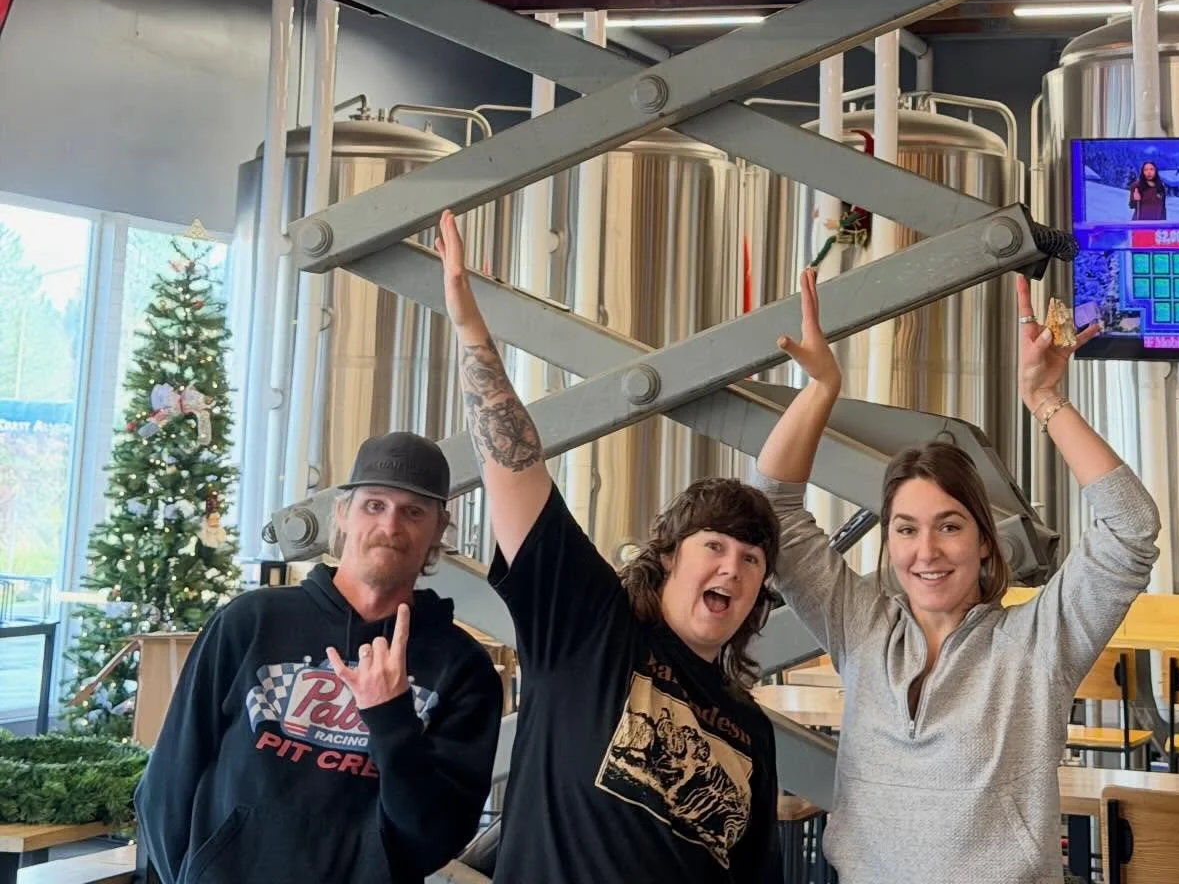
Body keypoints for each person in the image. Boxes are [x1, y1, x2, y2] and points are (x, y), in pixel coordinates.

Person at [754, 267, 1160, 884]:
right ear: (888, 542)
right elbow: (774, 511)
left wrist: (1045, 401)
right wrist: (821, 389)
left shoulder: (1037, 645)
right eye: (907, 529)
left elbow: (1130, 526)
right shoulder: (860, 626)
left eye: (949, 526)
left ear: (984, 543)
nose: (927, 552)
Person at [435, 210, 782, 883]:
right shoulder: (590, 630)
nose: (731, 568)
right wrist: (470, 329)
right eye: (714, 545)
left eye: (751, 560)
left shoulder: (750, 731)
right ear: (670, 555)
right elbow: (516, 469)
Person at [135, 433, 502, 884]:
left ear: (438, 528)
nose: (390, 526)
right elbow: (168, 781)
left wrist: (391, 721)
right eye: (374, 505)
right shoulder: (249, 623)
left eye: (414, 511)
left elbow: (436, 835)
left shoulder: (462, 669)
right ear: (343, 513)